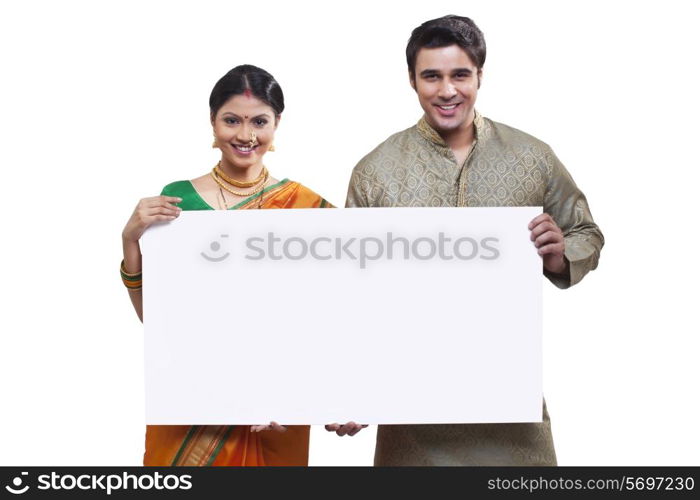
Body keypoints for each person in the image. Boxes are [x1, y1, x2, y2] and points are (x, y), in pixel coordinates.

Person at [334, 15, 604, 465]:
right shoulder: (375, 171)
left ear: (480, 74)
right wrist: (350, 387)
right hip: (411, 418)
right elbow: (349, 290)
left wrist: (559, 256)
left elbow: (585, 232)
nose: (446, 90)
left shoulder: (531, 157)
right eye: (431, 76)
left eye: (460, 74)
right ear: (411, 80)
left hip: (511, 415)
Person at [121, 64, 333, 466]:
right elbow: (159, 323)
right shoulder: (176, 202)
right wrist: (130, 239)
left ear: (278, 124)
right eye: (231, 120)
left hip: (276, 409)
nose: (245, 135)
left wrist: (303, 392)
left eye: (259, 121)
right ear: (212, 121)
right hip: (194, 404)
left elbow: (332, 317)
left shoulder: (307, 209)